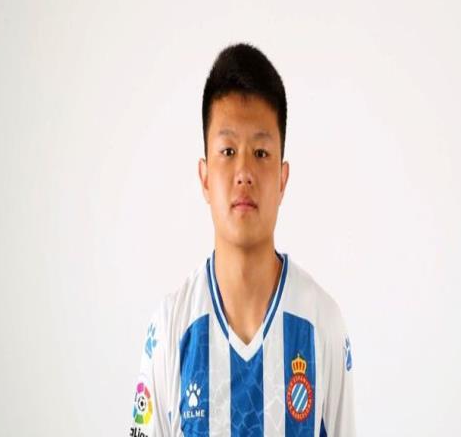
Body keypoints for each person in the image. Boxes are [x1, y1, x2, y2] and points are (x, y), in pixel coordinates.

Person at [128, 42, 356, 437]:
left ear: (283, 178)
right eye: (228, 150)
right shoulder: (170, 329)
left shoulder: (321, 325)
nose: (244, 172)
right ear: (204, 177)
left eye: (261, 153)